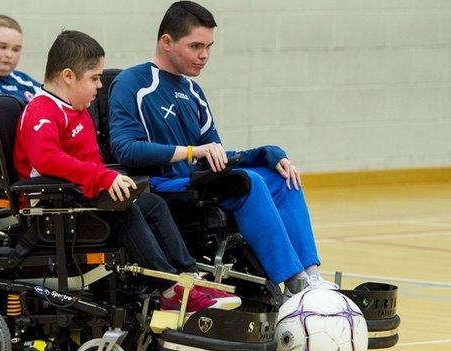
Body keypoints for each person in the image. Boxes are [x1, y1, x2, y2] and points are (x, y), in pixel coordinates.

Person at [108, 1, 330, 300]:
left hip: (198, 182)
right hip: (162, 186)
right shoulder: (132, 83)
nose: (204, 56)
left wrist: (268, 153)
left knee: (282, 177)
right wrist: (189, 152)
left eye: (209, 47)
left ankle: (311, 275)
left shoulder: (192, 92)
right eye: (196, 46)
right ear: (167, 42)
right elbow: (125, 150)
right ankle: (294, 283)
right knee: (247, 183)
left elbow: (215, 154)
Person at [13, 30, 241, 312]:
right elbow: (47, 159)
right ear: (68, 76)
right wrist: (102, 177)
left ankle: (188, 277)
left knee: (153, 203)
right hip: (52, 207)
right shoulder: (41, 110)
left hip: (78, 196)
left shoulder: (78, 109)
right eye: (94, 78)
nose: (99, 86)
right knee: (124, 210)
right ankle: (169, 290)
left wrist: (110, 178)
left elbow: (90, 164)